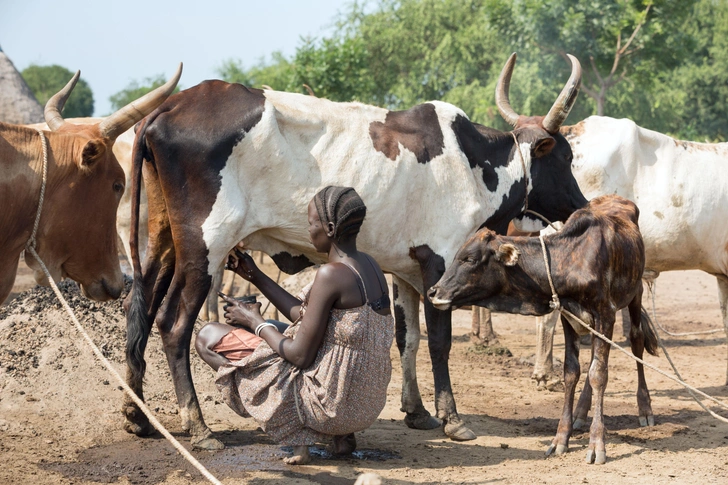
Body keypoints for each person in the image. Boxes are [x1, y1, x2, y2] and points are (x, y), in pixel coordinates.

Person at [195, 186, 394, 465]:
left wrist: (255, 321)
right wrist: (255, 276)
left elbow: (300, 355)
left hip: (329, 406)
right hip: (364, 406)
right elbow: (307, 315)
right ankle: (341, 436)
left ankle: (296, 428)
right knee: (281, 327)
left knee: (207, 336)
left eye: (311, 223)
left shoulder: (330, 274)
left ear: (331, 227)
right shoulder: (369, 266)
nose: (308, 230)